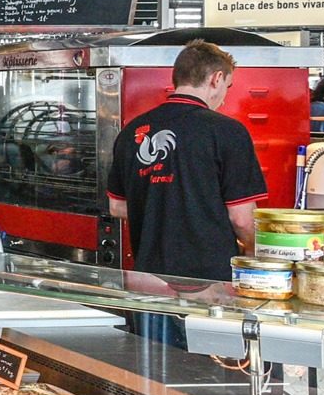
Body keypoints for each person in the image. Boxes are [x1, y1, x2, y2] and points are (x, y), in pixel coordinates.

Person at [105, 40, 266, 282]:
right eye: (228, 86)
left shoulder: (131, 132)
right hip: (209, 279)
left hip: (149, 276)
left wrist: (164, 210)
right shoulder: (228, 131)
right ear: (216, 79)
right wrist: (257, 251)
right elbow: (241, 218)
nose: (223, 98)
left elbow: (117, 207)